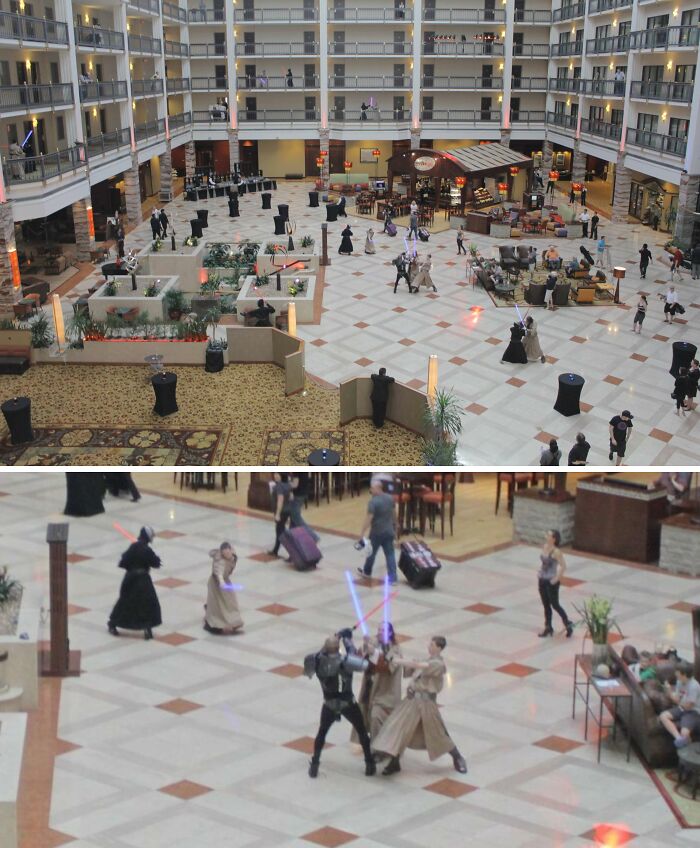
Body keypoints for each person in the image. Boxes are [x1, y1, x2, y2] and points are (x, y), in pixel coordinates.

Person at [372, 636, 468, 775]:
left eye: (432, 645)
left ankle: (457, 757)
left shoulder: (438, 664)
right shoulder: (426, 660)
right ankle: (394, 762)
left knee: (438, 733)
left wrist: (397, 660)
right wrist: (392, 657)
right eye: (430, 644)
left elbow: (420, 666)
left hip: (427, 704)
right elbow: (412, 666)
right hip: (411, 702)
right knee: (398, 729)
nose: (429, 646)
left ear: (439, 648)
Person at [306, 631, 375, 778]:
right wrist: (347, 640)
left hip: (329, 704)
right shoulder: (345, 661)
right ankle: (369, 763)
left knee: (322, 733)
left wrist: (330, 643)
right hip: (347, 703)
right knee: (362, 731)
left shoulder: (316, 660)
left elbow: (308, 670)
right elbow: (363, 664)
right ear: (338, 648)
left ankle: (315, 764)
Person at [352, 622, 403, 751]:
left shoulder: (395, 649)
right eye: (379, 629)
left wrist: (374, 652)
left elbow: (388, 667)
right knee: (363, 716)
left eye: (383, 630)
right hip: (369, 688)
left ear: (390, 633)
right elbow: (359, 657)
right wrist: (364, 647)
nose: (380, 632)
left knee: (376, 717)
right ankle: (368, 743)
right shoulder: (373, 642)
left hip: (385, 693)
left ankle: (378, 748)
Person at [108, 526, 162, 640]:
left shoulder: (133, 547)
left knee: (125, 601)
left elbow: (123, 561)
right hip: (143, 580)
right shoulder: (147, 550)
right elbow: (156, 563)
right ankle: (147, 627)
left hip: (130, 579)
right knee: (148, 603)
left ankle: (113, 623)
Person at [357, 479, 397, 584]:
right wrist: (395, 527)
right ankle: (393, 578)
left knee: (371, 553)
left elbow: (369, 518)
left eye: (372, 488)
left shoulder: (373, 502)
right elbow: (394, 514)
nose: (370, 490)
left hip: (376, 532)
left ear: (378, 488)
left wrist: (362, 532)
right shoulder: (390, 498)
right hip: (389, 531)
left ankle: (367, 572)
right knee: (390, 554)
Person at [537, 529, 573, 638]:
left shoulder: (556, 552)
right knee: (546, 605)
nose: (546, 536)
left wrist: (556, 578)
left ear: (554, 539)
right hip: (542, 579)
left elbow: (563, 566)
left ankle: (567, 623)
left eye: (548, 535)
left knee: (555, 604)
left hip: (551, 581)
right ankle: (548, 627)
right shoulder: (544, 547)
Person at [659, 661, 700, 749]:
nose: (675, 674)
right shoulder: (679, 682)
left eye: (677, 672)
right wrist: (669, 690)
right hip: (681, 708)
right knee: (663, 716)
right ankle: (678, 738)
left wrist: (675, 699)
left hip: (693, 712)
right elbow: (677, 699)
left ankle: (688, 747)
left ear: (684, 674)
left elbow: (688, 706)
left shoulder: (694, 686)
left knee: (684, 733)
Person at [204, 542, 243, 634]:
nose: (227, 554)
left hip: (226, 582)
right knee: (217, 605)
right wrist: (222, 582)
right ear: (222, 553)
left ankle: (235, 621)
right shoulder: (220, 561)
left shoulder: (232, 556)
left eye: (228, 552)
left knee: (231, 602)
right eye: (225, 553)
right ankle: (215, 624)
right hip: (216, 585)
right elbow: (219, 572)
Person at [268, 472, 293, 558]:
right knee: (280, 531)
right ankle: (275, 550)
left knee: (281, 533)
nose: (275, 476)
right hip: (287, 511)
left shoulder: (279, 486)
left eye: (277, 474)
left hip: (281, 512)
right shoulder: (288, 485)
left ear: (282, 475)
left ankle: (291, 552)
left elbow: (280, 500)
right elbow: (291, 497)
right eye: (275, 474)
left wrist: (278, 514)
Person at [288, 473, 320, 539]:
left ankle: (313, 536)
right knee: (293, 516)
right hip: (303, 492)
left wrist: (284, 484)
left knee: (296, 517)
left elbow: (295, 484)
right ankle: (291, 535)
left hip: (297, 495)